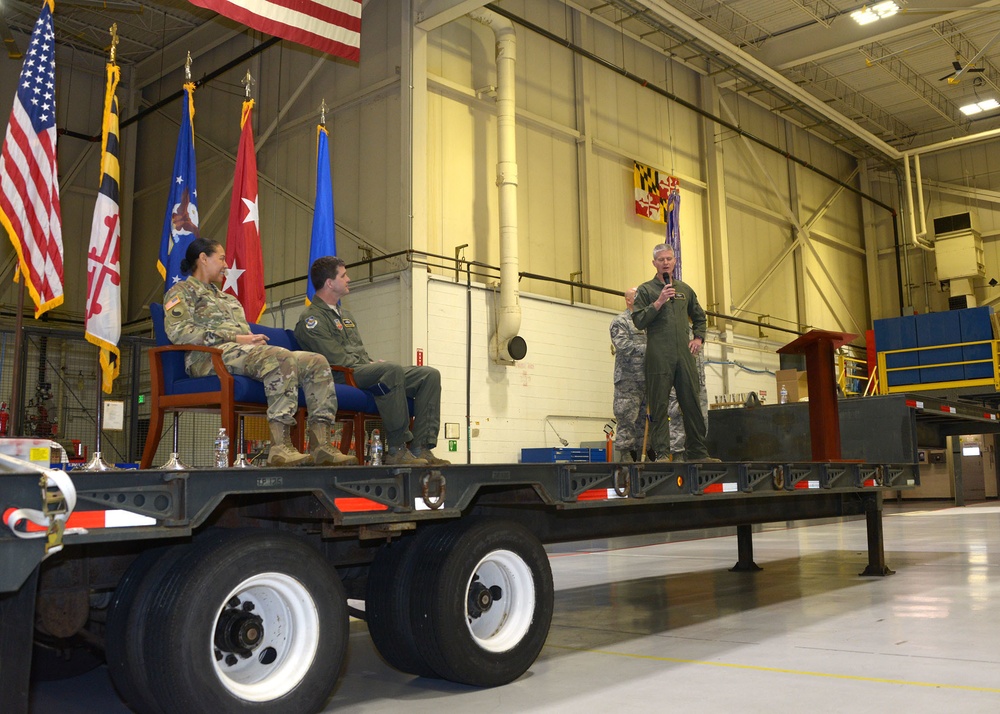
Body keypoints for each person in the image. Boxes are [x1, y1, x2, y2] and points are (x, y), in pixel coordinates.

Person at [163, 238, 357, 467]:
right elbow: (179, 332)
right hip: (208, 358)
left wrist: (251, 342)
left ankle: (321, 445)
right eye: (222, 258)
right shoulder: (181, 292)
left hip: (240, 353)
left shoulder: (229, 299)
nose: (226, 265)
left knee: (316, 361)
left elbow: (244, 338)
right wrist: (235, 338)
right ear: (203, 259)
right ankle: (280, 446)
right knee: (280, 357)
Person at [295, 256, 450, 466]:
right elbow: (335, 358)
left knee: (428, 375)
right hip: (340, 375)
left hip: (359, 370)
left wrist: (370, 363)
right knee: (390, 370)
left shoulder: (346, 315)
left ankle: (421, 448)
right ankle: (396, 449)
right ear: (330, 283)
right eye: (343, 275)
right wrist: (370, 366)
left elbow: (357, 352)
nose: (348, 279)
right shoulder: (311, 319)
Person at [632, 244, 718, 462]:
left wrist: (698, 337)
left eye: (669, 258)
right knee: (659, 405)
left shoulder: (685, 290)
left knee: (691, 403)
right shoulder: (645, 290)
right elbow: (639, 321)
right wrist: (659, 301)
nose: (666, 262)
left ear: (675, 261)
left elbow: (700, 316)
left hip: (684, 356)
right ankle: (662, 454)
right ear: (654, 263)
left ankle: (698, 453)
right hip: (659, 356)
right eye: (661, 259)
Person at [610, 287, 647, 462]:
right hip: (628, 380)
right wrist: (650, 349)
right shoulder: (620, 322)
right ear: (628, 300)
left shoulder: (647, 323)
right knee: (626, 418)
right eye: (637, 297)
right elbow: (624, 346)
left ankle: (643, 454)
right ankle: (625, 456)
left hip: (646, 379)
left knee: (644, 421)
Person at [667, 326, 709, 460]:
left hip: (698, 382)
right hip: (680, 380)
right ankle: (677, 453)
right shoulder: (676, 327)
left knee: (701, 418)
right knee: (677, 417)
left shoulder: (698, 332)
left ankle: (696, 451)